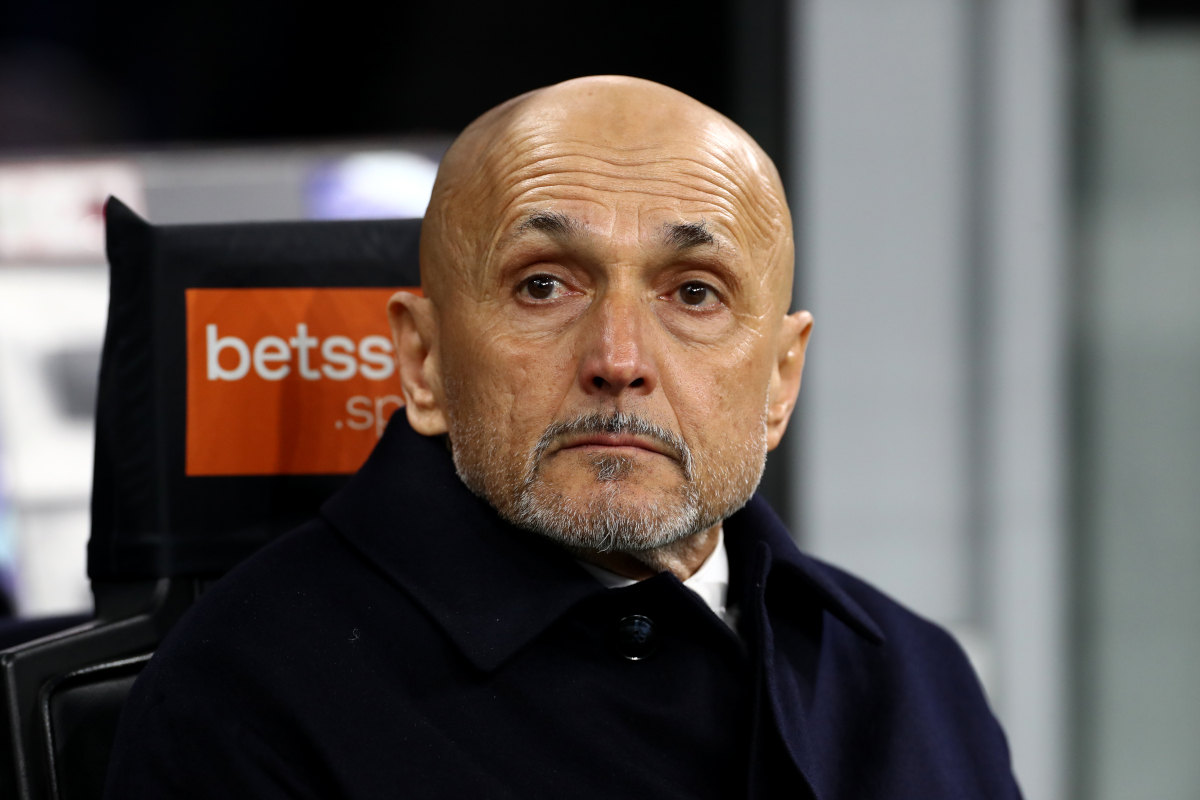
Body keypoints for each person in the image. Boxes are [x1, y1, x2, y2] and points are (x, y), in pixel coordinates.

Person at [104, 76, 1021, 799]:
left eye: (693, 292)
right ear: (423, 363)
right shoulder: (246, 700)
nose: (619, 359)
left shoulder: (911, 677)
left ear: (779, 382)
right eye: (545, 285)